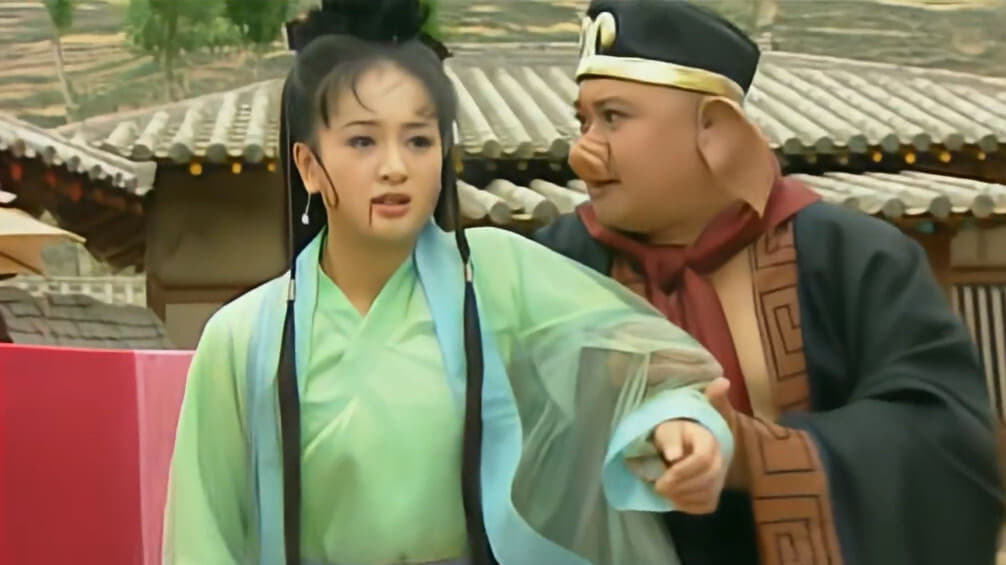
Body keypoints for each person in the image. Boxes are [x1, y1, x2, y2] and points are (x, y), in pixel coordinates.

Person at [162, 1, 737, 564]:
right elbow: (202, 537)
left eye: (418, 140)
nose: (395, 167)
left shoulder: (498, 276)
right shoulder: (244, 337)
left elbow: (648, 369)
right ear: (309, 166)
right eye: (363, 141)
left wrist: (678, 425)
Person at [534, 1, 1006, 564]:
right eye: (583, 122)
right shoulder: (557, 265)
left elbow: (944, 440)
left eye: (613, 118)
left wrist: (751, 454)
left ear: (715, 128)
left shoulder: (853, 257)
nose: (582, 154)